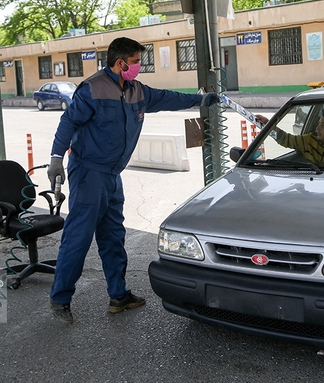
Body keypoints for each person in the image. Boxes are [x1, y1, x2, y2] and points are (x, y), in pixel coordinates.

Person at [46, 37, 219, 324]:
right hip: (89, 172)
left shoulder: (137, 90)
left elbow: (166, 98)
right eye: (137, 61)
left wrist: (199, 100)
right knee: (78, 237)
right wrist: (55, 157)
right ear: (120, 63)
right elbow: (69, 122)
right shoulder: (93, 89)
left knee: (113, 236)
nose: (139, 66)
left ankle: (119, 295)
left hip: (113, 175)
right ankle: (60, 297)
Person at [256, 107, 324, 163]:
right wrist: (269, 125)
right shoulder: (310, 140)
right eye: (318, 124)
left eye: (323, 125)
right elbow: (287, 140)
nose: (317, 128)